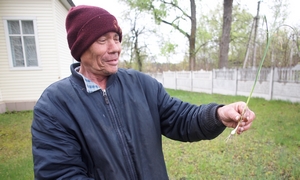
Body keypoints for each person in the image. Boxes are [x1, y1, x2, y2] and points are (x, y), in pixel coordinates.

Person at [31, 5, 255, 180]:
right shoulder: (54, 106)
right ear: (81, 49)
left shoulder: (141, 85)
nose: (115, 48)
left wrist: (218, 114)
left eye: (116, 38)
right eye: (102, 40)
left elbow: (181, 118)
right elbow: (60, 174)